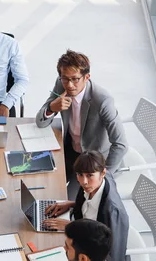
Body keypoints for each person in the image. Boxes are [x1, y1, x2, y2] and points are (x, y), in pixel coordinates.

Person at [35, 50, 127, 199]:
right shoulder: (61, 84)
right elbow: (40, 121)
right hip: (70, 153)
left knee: (69, 203)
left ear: (86, 77)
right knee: (42, 187)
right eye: (65, 78)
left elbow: (121, 144)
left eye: (75, 79)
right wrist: (52, 108)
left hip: (92, 162)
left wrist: (103, 176)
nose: (70, 85)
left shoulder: (103, 101)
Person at [42, 151, 129, 261]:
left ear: (103, 173)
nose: (84, 181)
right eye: (80, 175)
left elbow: (107, 250)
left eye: (89, 175)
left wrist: (72, 226)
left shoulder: (111, 212)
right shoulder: (94, 185)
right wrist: (71, 204)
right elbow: (87, 204)